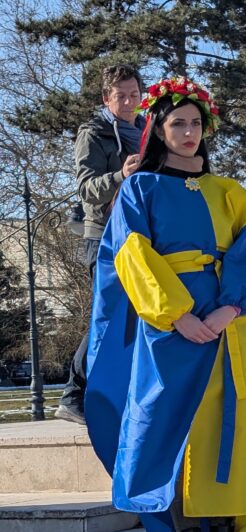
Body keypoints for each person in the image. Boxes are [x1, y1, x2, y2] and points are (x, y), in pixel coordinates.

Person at [84, 75, 246, 532]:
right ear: (158, 129)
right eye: (177, 123)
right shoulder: (139, 188)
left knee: (221, 436)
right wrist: (177, 316)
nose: (188, 132)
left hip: (224, 330)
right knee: (170, 434)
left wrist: (226, 310)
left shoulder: (231, 194)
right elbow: (131, 255)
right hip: (168, 331)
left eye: (196, 123)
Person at [56, 65, 146, 425]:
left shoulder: (147, 131)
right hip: (104, 237)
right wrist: (121, 174)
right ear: (106, 99)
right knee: (108, 318)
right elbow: (87, 189)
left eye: (134, 94)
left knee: (138, 317)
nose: (128, 102)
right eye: (120, 96)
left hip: (142, 236)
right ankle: (73, 395)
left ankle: (124, 395)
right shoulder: (92, 134)